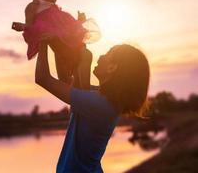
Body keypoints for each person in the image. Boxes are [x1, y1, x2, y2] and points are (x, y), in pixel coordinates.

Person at [35, 41, 150, 173]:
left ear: (112, 68)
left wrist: (42, 39)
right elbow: (64, 81)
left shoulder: (102, 104)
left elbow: (42, 78)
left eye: (108, 54)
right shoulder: (101, 98)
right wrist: (57, 41)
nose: (101, 56)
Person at [12, 0, 100, 89]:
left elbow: (65, 25)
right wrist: (23, 26)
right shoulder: (32, 7)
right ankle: (89, 93)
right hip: (58, 46)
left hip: (66, 40)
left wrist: (78, 22)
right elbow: (30, 26)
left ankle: (87, 93)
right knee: (65, 80)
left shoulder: (54, 9)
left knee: (81, 62)